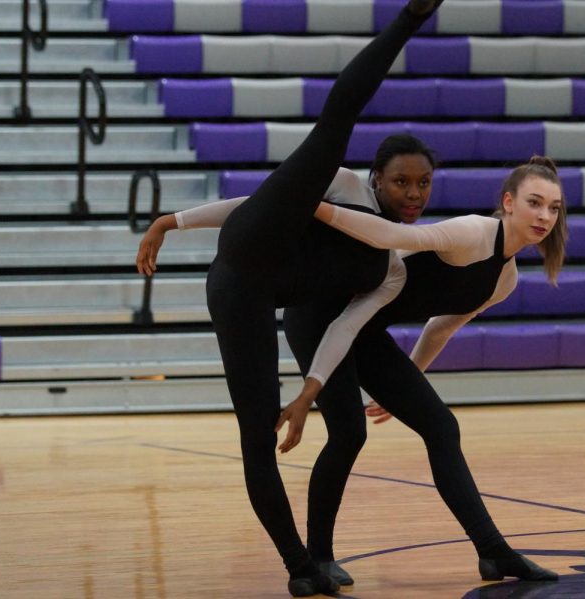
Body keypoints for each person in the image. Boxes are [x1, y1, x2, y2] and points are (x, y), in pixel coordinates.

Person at [137, 2, 443, 595]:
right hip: (243, 267)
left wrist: (310, 392)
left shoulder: (395, 259)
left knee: (277, 430)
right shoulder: (345, 184)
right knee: (337, 120)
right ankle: (300, 566)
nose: (413, 192)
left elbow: (344, 328)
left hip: (269, 290)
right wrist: (170, 222)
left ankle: (308, 563)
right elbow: (254, 207)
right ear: (377, 178)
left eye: (423, 182)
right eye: (401, 180)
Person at [281, 156, 568, 582]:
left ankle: (493, 552)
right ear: (508, 202)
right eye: (535, 203)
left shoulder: (504, 280)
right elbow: (392, 235)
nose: (545, 216)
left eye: (554, 208)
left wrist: (404, 385)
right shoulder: (473, 232)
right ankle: (318, 557)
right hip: (320, 315)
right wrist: (316, 206)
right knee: (348, 432)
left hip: (366, 329)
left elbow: (440, 328)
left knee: (441, 426)